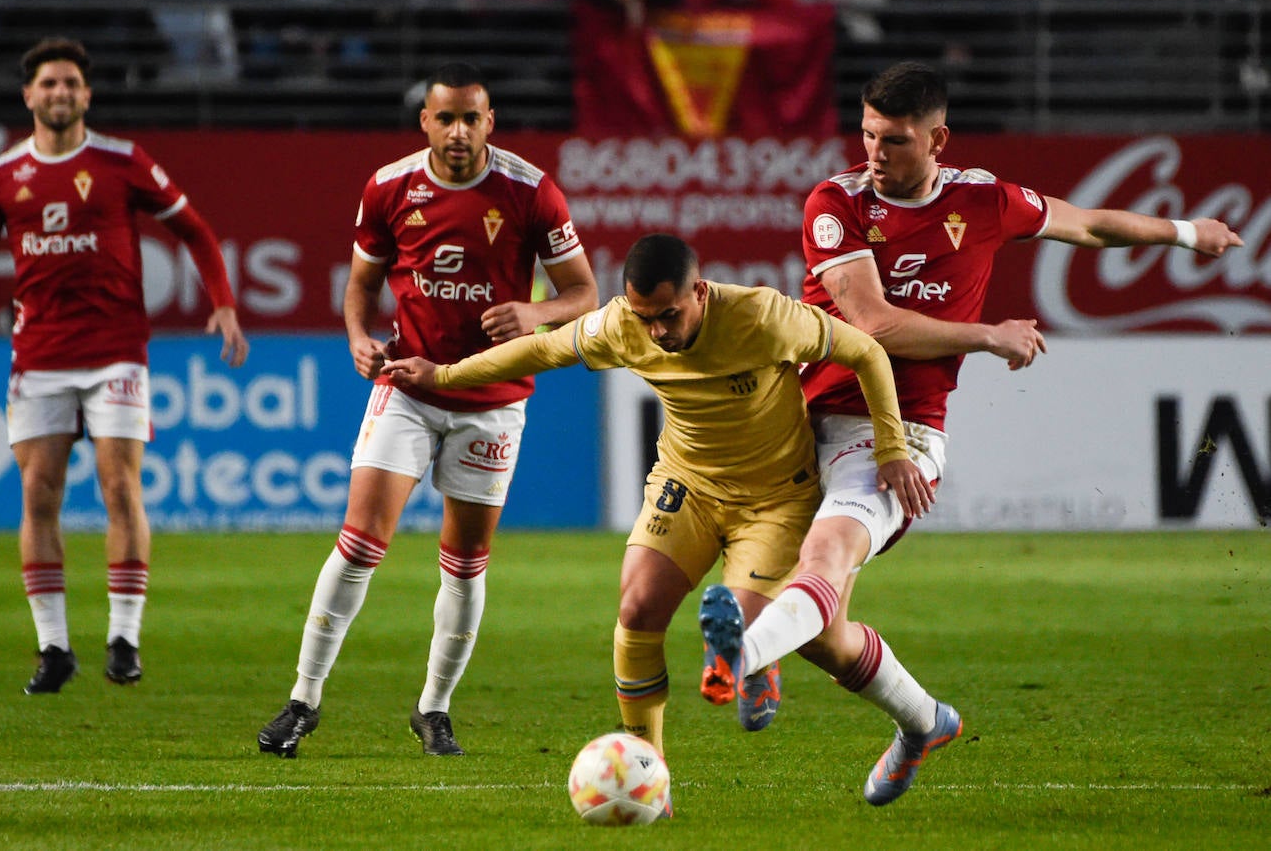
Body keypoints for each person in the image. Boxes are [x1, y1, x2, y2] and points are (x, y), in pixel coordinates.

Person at [697, 60, 1246, 806]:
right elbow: (872, 323)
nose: (873, 154)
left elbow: (1086, 224)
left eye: (891, 141)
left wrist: (1187, 232)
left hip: (899, 439)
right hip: (798, 427)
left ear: (937, 139)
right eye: (865, 135)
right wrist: (988, 335)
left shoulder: (984, 200)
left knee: (820, 563)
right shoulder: (836, 203)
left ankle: (742, 656)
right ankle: (924, 723)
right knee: (824, 630)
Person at [383, 233, 932, 759]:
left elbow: (865, 351)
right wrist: (444, 376)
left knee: (740, 635)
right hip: (687, 486)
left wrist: (891, 447)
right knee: (637, 609)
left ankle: (760, 663)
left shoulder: (762, 315)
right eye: (646, 318)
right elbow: (542, 349)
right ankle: (647, 768)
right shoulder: (621, 325)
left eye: (669, 315)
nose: (659, 332)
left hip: (775, 500)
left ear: (700, 291)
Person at [256, 62, 599, 758]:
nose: (459, 131)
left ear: (490, 122)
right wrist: (356, 337)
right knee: (359, 541)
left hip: (494, 400)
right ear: (426, 122)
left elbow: (585, 293)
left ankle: (433, 709)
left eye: (473, 118)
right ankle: (303, 699)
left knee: (466, 561)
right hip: (408, 387)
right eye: (446, 118)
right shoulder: (389, 187)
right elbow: (360, 285)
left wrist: (533, 310)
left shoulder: (531, 191)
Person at [0, 36, 249, 695]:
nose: (59, 94)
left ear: (87, 94)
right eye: (48, 84)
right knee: (38, 495)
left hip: (116, 350)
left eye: (70, 84)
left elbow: (194, 229)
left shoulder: (122, 162)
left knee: (119, 486)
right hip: (40, 357)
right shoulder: (1, 175)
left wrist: (223, 304)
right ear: (29, 95)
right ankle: (53, 648)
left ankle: (124, 638)